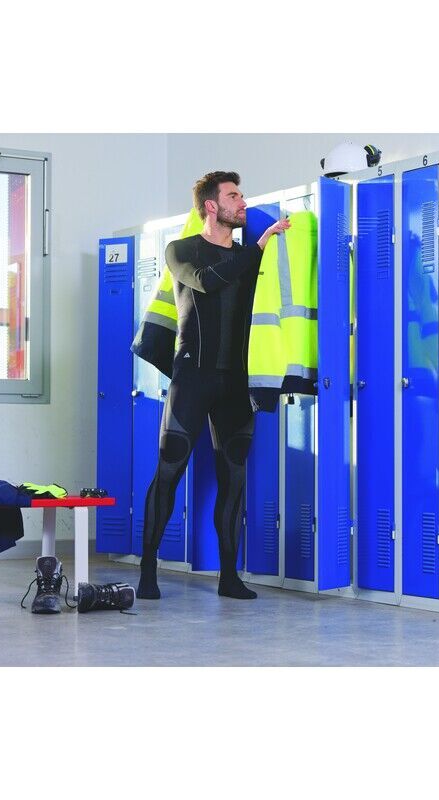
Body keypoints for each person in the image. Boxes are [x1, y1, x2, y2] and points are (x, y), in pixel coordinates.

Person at [137, 171, 290, 600]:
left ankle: (229, 577)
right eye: (233, 196)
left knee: (234, 479)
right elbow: (207, 281)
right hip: (193, 378)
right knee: (168, 472)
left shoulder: (248, 256)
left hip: (236, 383)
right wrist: (257, 249)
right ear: (211, 206)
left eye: (242, 195)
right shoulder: (181, 250)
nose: (243, 203)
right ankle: (147, 571)